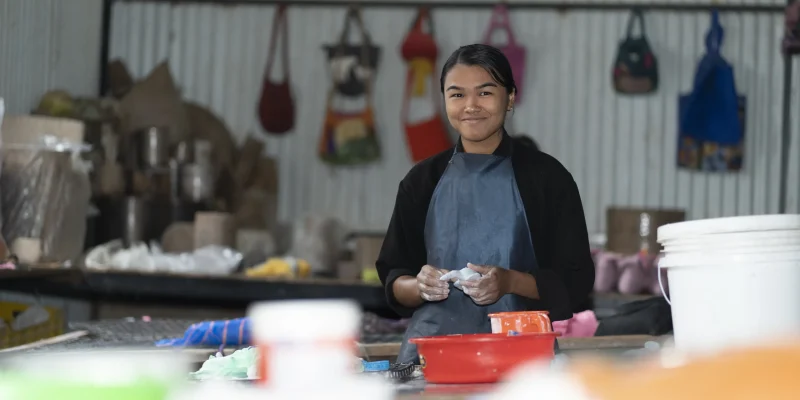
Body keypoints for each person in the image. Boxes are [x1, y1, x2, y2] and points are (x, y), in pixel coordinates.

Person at [376, 44, 595, 364]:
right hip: (433, 356)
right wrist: (419, 286)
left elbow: (576, 280)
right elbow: (394, 277)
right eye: (457, 94)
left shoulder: (547, 179)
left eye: (485, 93)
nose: (470, 106)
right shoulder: (421, 180)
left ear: (510, 98)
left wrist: (509, 282)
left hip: (522, 356)